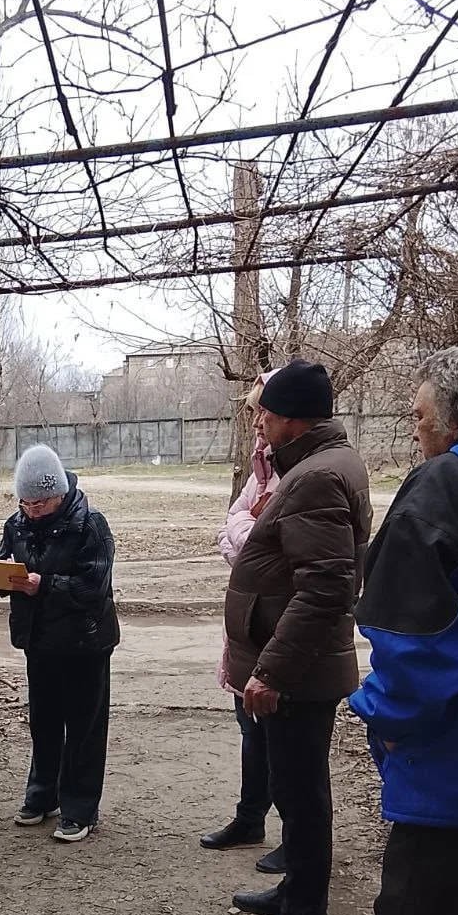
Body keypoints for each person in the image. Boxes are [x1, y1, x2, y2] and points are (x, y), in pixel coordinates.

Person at [305, 345, 458, 915]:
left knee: (420, 892)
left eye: (418, 413)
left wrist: (380, 713)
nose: (415, 428)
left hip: (457, 755)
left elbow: (416, 640)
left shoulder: (447, 486)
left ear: (454, 414)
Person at [224, 357, 372, 915]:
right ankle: (295, 892)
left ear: (289, 418)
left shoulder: (314, 477)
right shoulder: (325, 463)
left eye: (264, 411)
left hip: (298, 672)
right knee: (298, 784)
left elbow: (326, 588)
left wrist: (270, 670)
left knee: (301, 789)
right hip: (303, 664)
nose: (258, 420)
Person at [0, 443, 119, 843]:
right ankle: (42, 794)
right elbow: (4, 563)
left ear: (60, 493)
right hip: (39, 641)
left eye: (40, 503)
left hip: (85, 642)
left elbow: (92, 587)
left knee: (84, 726)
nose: (32, 510)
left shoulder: (90, 525)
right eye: (25, 502)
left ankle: (80, 808)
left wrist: (42, 584)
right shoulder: (17, 524)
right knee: (44, 723)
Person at [202, 372, 285, 875]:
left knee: (286, 739)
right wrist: (248, 524)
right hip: (248, 625)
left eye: (262, 410)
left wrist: (248, 532)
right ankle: (250, 818)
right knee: (249, 729)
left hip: (278, 624)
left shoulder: (297, 471)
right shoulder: (260, 470)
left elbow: (259, 548)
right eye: (253, 411)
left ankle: (296, 838)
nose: (256, 421)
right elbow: (233, 535)